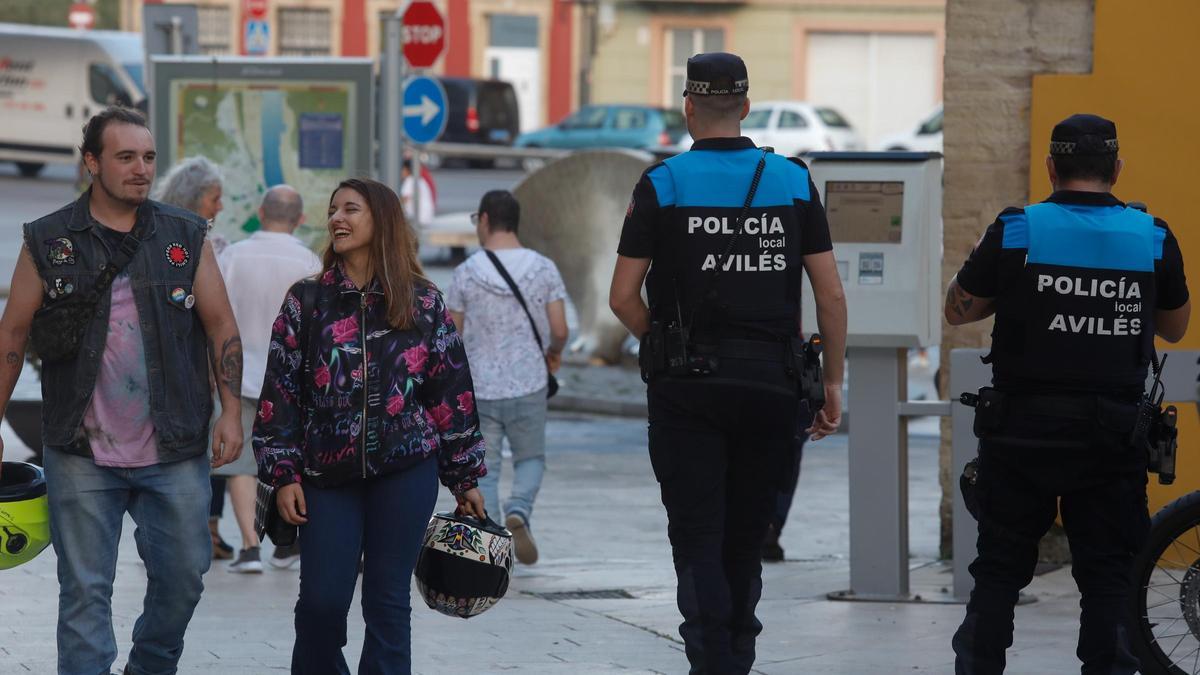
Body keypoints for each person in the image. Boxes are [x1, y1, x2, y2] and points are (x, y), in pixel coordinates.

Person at [608, 52, 847, 674]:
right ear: (745, 106)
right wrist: (834, 382)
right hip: (771, 384)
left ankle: (710, 658)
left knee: (696, 536)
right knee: (745, 537)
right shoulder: (793, 180)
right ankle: (738, 654)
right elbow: (831, 294)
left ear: (688, 108)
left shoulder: (663, 183)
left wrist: (661, 345)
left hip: (687, 390)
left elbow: (621, 297)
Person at [0, 106, 244, 674]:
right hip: (80, 449)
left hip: (174, 445)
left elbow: (222, 326)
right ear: (92, 162)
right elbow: (11, 333)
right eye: (126, 157)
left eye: (149, 157)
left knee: (185, 577)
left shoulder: (186, 236)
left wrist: (231, 412)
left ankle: (149, 666)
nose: (141, 169)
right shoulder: (49, 239)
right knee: (84, 594)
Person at [947, 113, 1190, 674]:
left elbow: (960, 310)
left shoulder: (1017, 229)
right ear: (1117, 168)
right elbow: (1173, 329)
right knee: (1108, 576)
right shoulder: (1152, 236)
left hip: (1020, 434)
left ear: (1051, 168)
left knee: (1000, 571)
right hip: (1112, 436)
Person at [253, 177, 487, 673]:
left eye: (351, 209)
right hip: (324, 474)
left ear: (382, 220)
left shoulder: (422, 302)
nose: (337, 218)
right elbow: (281, 395)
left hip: (405, 469)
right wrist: (283, 474)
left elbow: (450, 392)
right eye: (334, 210)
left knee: (387, 603)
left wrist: (464, 477)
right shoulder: (307, 300)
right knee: (321, 602)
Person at [446, 189, 569, 565]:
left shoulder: (466, 272)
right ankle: (520, 509)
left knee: (487, 465)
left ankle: (495, 544)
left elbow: (452, 336)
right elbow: (560, 328)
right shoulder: (543, 268)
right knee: (531, 457)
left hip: (480, 386)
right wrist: (553, 353)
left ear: (484, 220)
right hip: (529, 381)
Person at [216, 185, 322, 573]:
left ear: (261, 212)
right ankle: (286, 544)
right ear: (301, 218)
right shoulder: (310, 261)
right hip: (294, 380)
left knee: (241, 463)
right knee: (292, 461)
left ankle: (249, 547)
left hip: (238, 375)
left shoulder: (233, 256)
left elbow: (214, 316)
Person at [153, 154, 237, 560]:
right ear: (194, 197)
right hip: (183, 369)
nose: (220, 207)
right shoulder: (205, 244)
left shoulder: (211, 242)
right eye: (215, 198)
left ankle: (203, 525)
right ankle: (194, 527)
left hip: (195, 370)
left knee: (207, 448)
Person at [400, 158, 435, 228]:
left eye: (402, 169)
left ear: (407, 170)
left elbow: (403, 200)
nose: (401, 172)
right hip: (425, 217)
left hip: (418, 219)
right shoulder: (419, 179)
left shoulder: (409, 180)